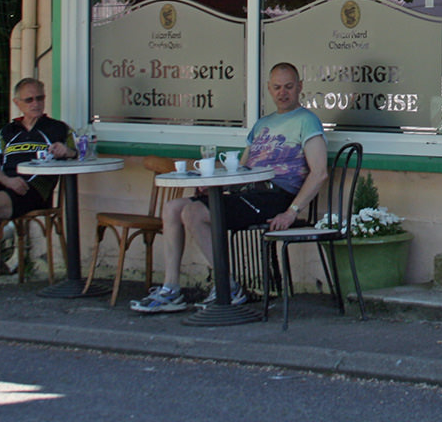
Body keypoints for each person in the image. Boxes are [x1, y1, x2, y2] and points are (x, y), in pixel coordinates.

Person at [132, 61, 327, 313]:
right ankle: (171, 289)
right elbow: (241, 169)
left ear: (300, 87)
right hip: (246, 194)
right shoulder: (262, 124)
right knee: (172, 207)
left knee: (192, 213)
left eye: (289, 86)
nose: (283, 92)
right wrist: (214, 186)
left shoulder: (307, 121)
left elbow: (320, 173)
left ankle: (228, 287)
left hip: (274, 196)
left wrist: (292, 211)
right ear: (269, 88)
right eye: (277, 87)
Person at [0, 77, 76, 305]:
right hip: (8, 183)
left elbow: (79, 153)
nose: (36, 103)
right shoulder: (8, 131)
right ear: (17, 102)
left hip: (32, 189)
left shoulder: (57, 128)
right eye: (29, 99)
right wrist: (7, 179)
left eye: (40, 98)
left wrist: (67, 151)